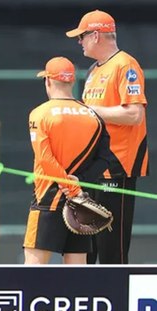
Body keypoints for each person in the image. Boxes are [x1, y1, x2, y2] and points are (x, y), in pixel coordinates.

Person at [24, 57, 124, 265]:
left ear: (48, 81)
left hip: (48, 200)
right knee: (77, 271)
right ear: (71, 81)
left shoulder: (40, 113)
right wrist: (80, 184)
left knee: (33, 269)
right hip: (80, 205)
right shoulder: (93, 116)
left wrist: (71, 189)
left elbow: (45, 159)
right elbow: (106, 159)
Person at [66, 9, 148, 264]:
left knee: (112, 251)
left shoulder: (125, 65)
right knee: (87, 248)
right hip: (92, 167)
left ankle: (116, 291)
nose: (79, 41)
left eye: (82, 36)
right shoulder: (93, 69)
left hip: (117, 166)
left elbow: (134, 114)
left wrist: (87, 110)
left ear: (96, 36)